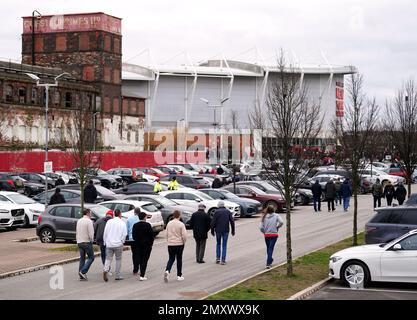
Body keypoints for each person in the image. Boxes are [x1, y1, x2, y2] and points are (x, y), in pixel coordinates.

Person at [103, 209, 127, 281]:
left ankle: (106, 269)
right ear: (120, 214)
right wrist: (122, 241)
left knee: (108, 258)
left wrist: (105, 241)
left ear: (113, 214)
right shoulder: (122, 223)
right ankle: (117, 275)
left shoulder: (109, 222)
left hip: (109, 243)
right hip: (118, 244)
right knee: (118, 259)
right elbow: (124, 234)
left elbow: (105, 232)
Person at [164, 210, 187, 282]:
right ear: (179, 215)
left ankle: (167, 270)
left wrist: (168, 241)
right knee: (179, 259)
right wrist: (184, 242)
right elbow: (184, 235)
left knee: (171, 258)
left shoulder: (169, 223)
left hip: (171, 244)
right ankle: (179, 275)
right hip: (179, 244)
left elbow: (166, 234)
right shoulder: (181, 224)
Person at [211, 200, 235, 265]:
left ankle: (218, 258)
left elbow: (213, 222)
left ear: (218, 206)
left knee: (218, 244)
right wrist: (233, 230)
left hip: (218, 230)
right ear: (224, 205)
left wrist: (212, 230)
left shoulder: (216, 212)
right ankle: (223, 260)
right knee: (224, 245)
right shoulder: (228, 212)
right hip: (226, 230)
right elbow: (232, 221)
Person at [132, 210, 155, 281]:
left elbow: (133, 236)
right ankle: (142, 275)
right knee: (145, 260)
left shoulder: (135, 225)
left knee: (141, 258)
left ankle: (142, 272)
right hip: (147, 245)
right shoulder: (147, 225)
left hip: (138, 245)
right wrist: (151, 244)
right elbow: (152, 236)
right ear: (144, 217)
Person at [76, 208, 95, 280]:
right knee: (91, 257)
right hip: (87, 241)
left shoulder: (79, 221)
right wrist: (92, 240)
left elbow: (77, 231)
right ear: (87, 213)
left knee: (82, 258)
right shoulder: (89, 221)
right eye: (90, 213)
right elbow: (91, 233)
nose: (91, 215)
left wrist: (77, 240)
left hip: (80, 241)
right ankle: (83, 271)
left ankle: (81, 274)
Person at [126, 207, 141, 275]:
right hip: (139, 239)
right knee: (139, 253)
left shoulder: (129, 219)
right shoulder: (140, 219)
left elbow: (127, 229)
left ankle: (135, 269)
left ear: (134, 212)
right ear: (139, 212)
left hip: (131, 239)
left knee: (134, 254)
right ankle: (139, 268)